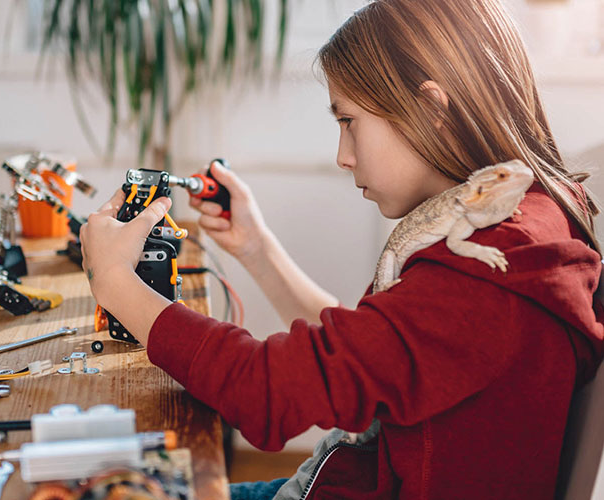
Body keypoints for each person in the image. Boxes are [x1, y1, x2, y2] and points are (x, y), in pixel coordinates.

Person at [78, 0, 604, 498]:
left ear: (431, 108)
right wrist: (257, 249)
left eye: (347, 122)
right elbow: (367, 360)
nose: (342, 156)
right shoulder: (530, 219)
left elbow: (264, 392)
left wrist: (116, 282)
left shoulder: (489, 276)